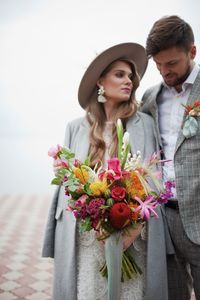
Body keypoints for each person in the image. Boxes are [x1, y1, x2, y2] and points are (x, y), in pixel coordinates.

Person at [42, 42, 169, 300]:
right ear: (101, 81)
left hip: (133, 234)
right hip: (88, 238)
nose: (129, 81)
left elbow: (153, 178)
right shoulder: (76, 127)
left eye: (130, 76)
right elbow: (70, 184)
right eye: (119, 75)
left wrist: (131, 230)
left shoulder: (144, 123)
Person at [140, 15, 200, 300]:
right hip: (165, 220)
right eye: (158, 65)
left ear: (192, 52)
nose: (164, 71)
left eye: (172, 63)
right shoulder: (151, 98)